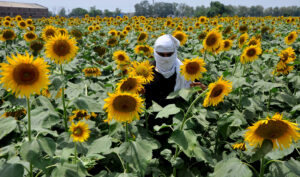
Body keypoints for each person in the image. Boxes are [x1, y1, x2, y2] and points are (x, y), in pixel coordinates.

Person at [144, 34, 206, 110]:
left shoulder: (186, 70)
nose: (166, 58)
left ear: (175, 53)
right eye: (161, 54)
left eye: (169, 54)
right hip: (153, 119)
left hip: (179, 117)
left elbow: (198, 91)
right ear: (155, 53)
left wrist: (201, 91)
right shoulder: (146, 72)